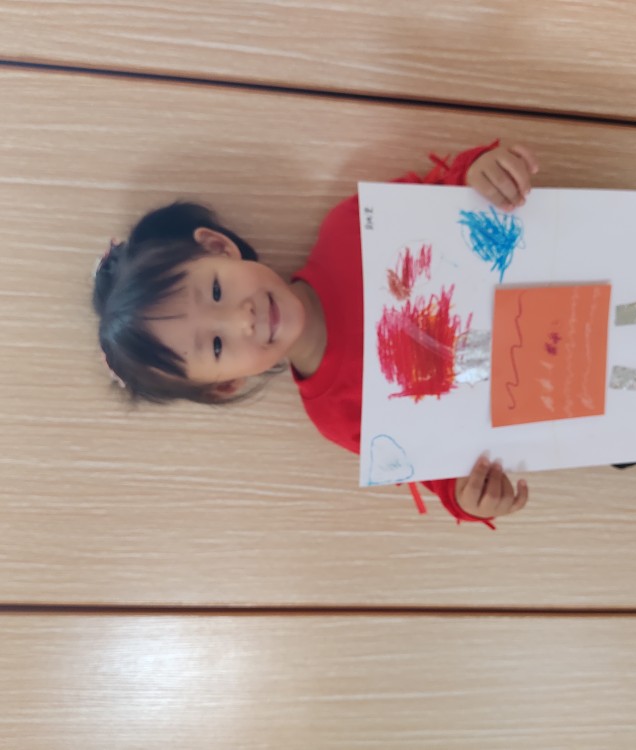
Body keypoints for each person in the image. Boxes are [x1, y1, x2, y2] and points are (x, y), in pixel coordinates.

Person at [93, 140, 539, 528]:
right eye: (216, 345)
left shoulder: (350, 227)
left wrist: (481, 174)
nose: (242, 319)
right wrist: (470, 497)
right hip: (547, 378)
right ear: (226, 385)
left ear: (219, 248)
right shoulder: (339, 417)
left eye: (215, 291)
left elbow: (445, 196)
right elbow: (441, 469)